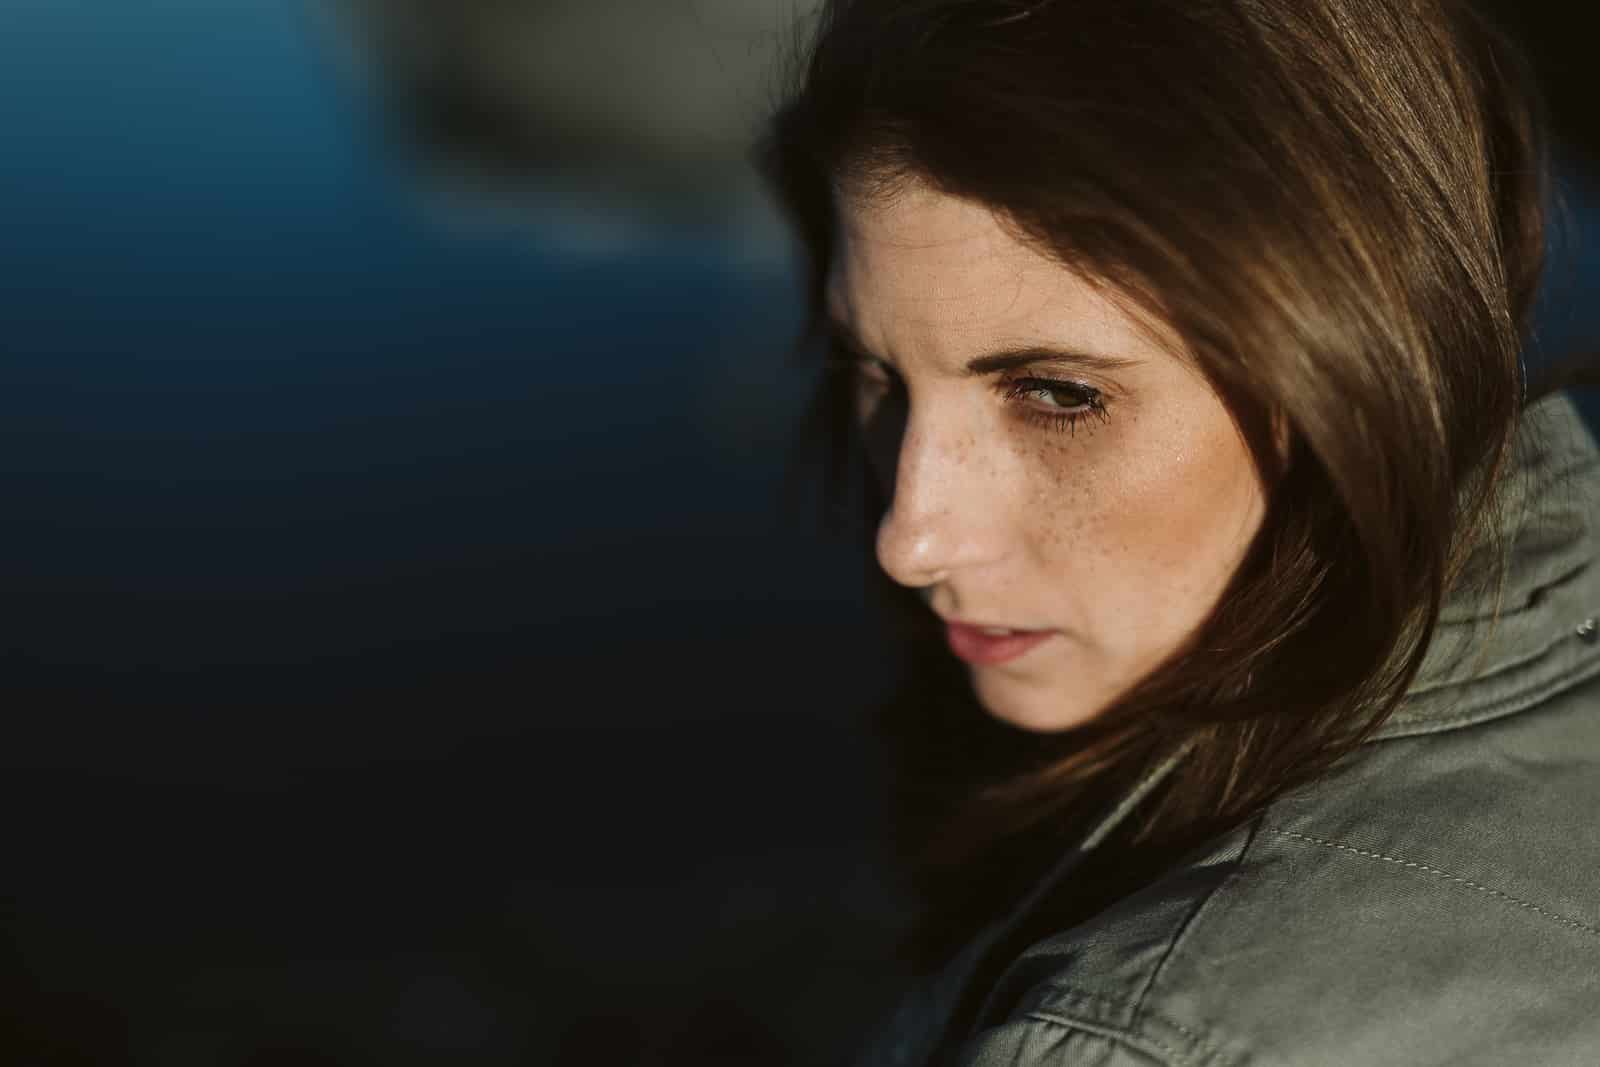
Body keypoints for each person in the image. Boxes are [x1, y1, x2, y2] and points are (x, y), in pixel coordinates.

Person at [754, 1, 1600, 1063]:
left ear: (1352, 360)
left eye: (1059, 394)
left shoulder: (1130, 1039)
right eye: (875, 371)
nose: (910, 539)